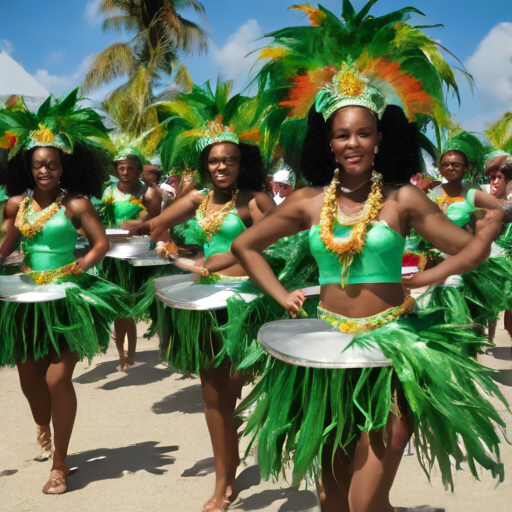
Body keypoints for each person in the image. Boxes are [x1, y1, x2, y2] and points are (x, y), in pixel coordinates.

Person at [231, 64, 507, 511]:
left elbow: (470, 252)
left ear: (380, 138)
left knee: (363, 500)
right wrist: (281, 295)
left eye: (363, 133)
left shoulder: (403, 199)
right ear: (328, 142)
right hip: (327, 347)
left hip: (395, 349)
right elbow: (246, 245)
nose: (352, 143)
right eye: (342, 135)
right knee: (332, 496)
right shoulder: (307, 201)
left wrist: (428, 276)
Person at [0, 89, 130, 494]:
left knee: (58, 380)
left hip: (69, 298)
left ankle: (60, 464)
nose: (45, 171)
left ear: (62, 167)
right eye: (38, 165)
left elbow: (100, 245)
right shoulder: (15, 205)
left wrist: (78, 267)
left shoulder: (75, 204)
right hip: (26, 297)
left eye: (52, 165)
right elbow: (6, 245)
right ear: (28, 166)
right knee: (29, 380)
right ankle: (43, 425)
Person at [149, 121, 275, 512]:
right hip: (205, 303)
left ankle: (246, 445)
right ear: (206, 165)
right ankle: (225, 477)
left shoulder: (256, 201)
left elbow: (284, 247)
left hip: (249, 305)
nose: (222, 167)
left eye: (230, 160)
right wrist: (169, 245)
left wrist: (233, 258)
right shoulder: (199, 199)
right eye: (215, 161)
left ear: (242, 163)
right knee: (214, 395)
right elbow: (156, 224)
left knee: (237, 383)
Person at [98, 149, 162, 370]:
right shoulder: (108, 191)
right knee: (119, 309)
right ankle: (123, 355)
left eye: (130, 167)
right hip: (112, 257)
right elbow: (102, 219)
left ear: (138, 169)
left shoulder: (150, 194)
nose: (125, 171)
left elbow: (157, 224)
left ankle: (131, 354)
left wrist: (140, 228)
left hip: (138, 257)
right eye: (121, 167)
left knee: (130, 309)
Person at [486, 154, 512, 340]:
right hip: (490, 263)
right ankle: (489, 331)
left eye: (499, 177)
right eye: (491, 177)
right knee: (488, 307)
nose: (494, 182)